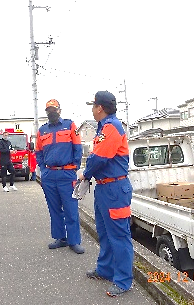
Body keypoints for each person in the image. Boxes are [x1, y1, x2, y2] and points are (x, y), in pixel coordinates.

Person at [78, 91, 133, 297]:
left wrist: (84, 173)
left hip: (115, 189)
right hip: (105, 187)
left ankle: (123, 281)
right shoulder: (105, 127)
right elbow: (98, 156)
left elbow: (100, 157)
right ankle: (105, 269)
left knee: (119, 235)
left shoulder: (112, 127)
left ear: (100, 107)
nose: (92, 109)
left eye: (93, 106)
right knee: (105, 233)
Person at [35, 99, 84, 254]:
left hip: (66, 174)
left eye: (54, 109)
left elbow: (77, 147)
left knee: (71, 209)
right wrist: (43, 170)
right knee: (54, 209)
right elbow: (38, 152)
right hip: (49, 175)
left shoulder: (70, 125)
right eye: (48, 110)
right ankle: (60, 238)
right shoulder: (42, 130)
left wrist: (74, 167)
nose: (51, 112)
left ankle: (74, 241)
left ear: (59, 110)